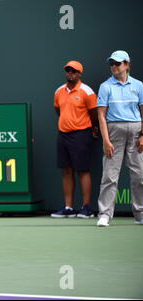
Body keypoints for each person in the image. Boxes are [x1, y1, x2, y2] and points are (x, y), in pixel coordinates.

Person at [96, 50, 143, 227]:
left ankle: (140, 214)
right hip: (113, 132)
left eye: (117, 63)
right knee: (109, 176)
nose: (114, 67)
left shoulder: (138, 86)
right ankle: (105, 214)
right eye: (112, 64)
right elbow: (101, 115)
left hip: (136, 132)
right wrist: (106, 140)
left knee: (140, 176)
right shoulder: (105, 86)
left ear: (127, 64)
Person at [51, 61, 98, 219]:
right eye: (68, 71)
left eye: (73, 71)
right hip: (63, 134)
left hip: (81, 134)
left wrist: (91, 127)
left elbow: (94, 113)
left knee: (82, 170)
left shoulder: (87, 91)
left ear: (79, 74)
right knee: (66, 170)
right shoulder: (59, 91)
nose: (70, 73)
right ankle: (68, 207)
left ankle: (86, 208)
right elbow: (59, 110)